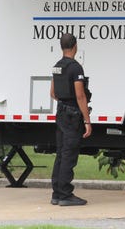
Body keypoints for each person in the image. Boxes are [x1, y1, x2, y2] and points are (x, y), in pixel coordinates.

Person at [49, 33, 92, 206]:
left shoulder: (57, 66)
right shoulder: (75, 68)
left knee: (61, 153)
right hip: (73, 115)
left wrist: (64, 103)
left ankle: (57, 193)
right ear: (75, 46)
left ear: (61, 46)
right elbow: (80, 95)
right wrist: (87, 121)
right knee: (69, 154)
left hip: (60, 112)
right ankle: (65, 194)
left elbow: (52, 93)